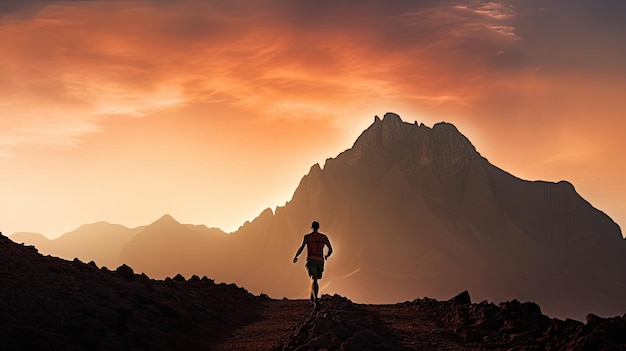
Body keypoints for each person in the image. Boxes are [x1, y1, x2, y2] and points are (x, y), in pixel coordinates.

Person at [293, 220, 333, 309]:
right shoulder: (323, 237)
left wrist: (296, 256)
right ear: (318, 227)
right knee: (315, 279)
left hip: (311, 260)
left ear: (312, 227)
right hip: (320, 261)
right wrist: (327, 256)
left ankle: (313, 294)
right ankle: (316, 299)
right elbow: (330, 249)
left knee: (314, 279)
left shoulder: (307, 237)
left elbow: (302, 247)